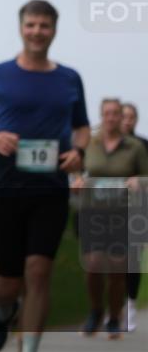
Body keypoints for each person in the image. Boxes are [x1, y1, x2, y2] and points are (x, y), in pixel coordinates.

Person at [0, 0, 90, 352]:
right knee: (5, 283)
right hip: (6, 189)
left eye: (44, 26)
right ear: (21, 28)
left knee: (38, 271)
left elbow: (81, 127)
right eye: (31, 25)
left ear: (54, 30)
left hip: (50, 190)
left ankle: (29, 347)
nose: (37, 32)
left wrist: (78, 152)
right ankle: (3, 314)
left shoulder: (69, 79)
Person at [71, 98, 148, 339]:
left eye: (116, 114)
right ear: (102, 116)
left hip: (122, 212)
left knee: (117, 269)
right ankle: (96, 310)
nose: (113, 118)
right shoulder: (90, 145)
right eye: (108, 113)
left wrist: (139, 181)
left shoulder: (135, 147)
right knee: (93, 265)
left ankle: (114, 317)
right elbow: (76, 167)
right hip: (94, 211)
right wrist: (78, 179)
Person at [120, 102, 146, 332]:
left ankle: (129, 306)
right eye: (124, 116)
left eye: (132, 116)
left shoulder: (144, 145)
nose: (128, 120)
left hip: (136, 209)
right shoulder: (104, 146)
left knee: (133, 259)